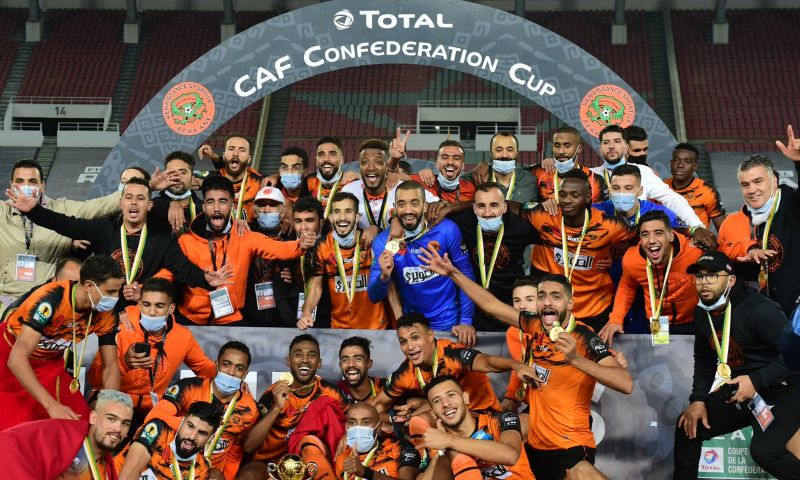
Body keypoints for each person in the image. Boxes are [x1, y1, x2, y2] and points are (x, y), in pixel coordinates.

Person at [418, 251, 633, 480]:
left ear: (570, 303)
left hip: (568, 445)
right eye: (541, 296)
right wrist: (453, 273)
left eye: (555, 297)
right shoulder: (535, 325)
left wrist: (575, 359)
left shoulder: (583, 338)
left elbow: (626, 383)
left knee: (582, 473)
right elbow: (492, 306)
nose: (547, 302)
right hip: (534, 443)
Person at [9, 177, 230, 307]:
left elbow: (183, 270)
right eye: (129, 197)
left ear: (149, 206)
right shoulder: (104, 229)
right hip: (105, 309)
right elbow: (66, 224)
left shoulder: (162, 238)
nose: (134, 203)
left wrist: (206, 279)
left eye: (141, 198)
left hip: (141, 310)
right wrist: (34, 211)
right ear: (121, 203)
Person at [673, 251, 800, 479]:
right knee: (688, 426)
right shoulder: (702, 313)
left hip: (783, 387)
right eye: (699, 276)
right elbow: (704, 360)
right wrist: (698, 399)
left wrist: (756, 380)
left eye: (712, 275)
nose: (704, 282)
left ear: (731, 280)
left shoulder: (761, 310)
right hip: (742, 390)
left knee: (765, 452)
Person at [0, 255, 123, 432]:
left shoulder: (108, 313)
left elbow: (110, 366)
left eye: (118, 291)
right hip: (9, 354)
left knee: (80, 422)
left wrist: (112, 409)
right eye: (110, 292)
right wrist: (51, 405)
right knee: (16, 424)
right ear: (89, 286)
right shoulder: (51, 299)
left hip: (49, 363)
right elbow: (16, 359)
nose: (115, 298)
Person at [174, 176, 315, 325]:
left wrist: (300, 245)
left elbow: (278, 248)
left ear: (232, 205)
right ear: (203, 207)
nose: (216, 208)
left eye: (223, 201)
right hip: (190, 319)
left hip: (230, 320)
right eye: (210, 202)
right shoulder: (186, 241)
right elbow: (170, 274)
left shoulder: (244, 235)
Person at [86, 277, 216, 440]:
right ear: (140, 303)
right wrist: (124, 363)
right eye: (146, 305)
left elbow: (205, 368)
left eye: (159, 306)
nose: (152, 312)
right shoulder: (120, 326)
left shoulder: (183, 336)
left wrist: (231, 376)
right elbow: (94, 378)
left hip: (153, 408)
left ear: (171, 308)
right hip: (117, 401)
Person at [599, 210, 754, 345]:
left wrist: (751, 249)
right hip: (657, 323)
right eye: (645, 235)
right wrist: (615, 319)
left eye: (658, 233)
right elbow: (627, 287)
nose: (651, 240)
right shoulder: (632, 259)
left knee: (694, 362)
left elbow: (725, 249)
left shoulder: (694, 250)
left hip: (694, 320)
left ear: (671, 236)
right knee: (663, 363)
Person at [523, 169, 635, 331]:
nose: (567, 200)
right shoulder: (544, 216)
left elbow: (643, 237)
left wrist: (615, 254)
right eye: (563, 195)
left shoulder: (610, 225)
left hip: (596, 309)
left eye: (575, 195)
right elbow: (511, 208)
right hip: (555, 309)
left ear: (588, 197)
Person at [367, 181, 476, 346]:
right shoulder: (384, 242)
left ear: (425, 206)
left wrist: (466, 321)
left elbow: (466, 274)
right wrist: (384, 277)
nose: (408, 210)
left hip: (450, 324)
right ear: (394, 209)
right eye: (401, 204)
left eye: (414, 203)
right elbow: (373, 296)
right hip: (414, 327)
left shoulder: (446, 230)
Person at [0, 159, 122, 306]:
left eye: (32, 181)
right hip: (6, 300)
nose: (25, 186)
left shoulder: (62, 209)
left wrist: (136, 190)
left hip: (49, 300)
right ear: (11, 185)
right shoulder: (2, 212)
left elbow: (100, 206)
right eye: (20, 181)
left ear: (42, 186)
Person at [370, 313, 537, 418]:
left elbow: (485, 361)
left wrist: (516, 365)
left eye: (415, 338)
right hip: (447, 419)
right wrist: (358, 426)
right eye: (403, 341)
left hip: (482, 416)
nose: (410, 347)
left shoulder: (451, 353)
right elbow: (378, 404)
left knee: (423, 419)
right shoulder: (406, 372)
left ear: (430, 335)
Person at [238, 334, 352, 480]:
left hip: (309, 460)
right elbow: (249, 446)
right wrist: (277, 407)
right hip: (271, 462)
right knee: (248, 475)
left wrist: (349, 433)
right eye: (298, 354)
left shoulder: (331, 392)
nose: (305, 360)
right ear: (288, 361)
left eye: (311, 355)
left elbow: (358, 415)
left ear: (319, 363)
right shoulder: (274, 393)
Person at [144, 341, 258, 480]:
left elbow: (234, 453)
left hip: (212, 473)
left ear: (245, 374)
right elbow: (153, 418)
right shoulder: (190, 387)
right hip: (173, 464)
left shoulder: (250, 409)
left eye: (239, 368)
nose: (231, 372)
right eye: (226, 364)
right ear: (217, 365)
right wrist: (189, 423)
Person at [588, 125, 713, 244]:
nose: (611, 146)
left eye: (617, 141)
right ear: (600, 149)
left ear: (626, 147)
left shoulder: (643, 172)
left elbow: (672, 199)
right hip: (601, 244)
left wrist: (697, 226)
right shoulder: (589, 175)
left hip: (639, 243)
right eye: (606, 142)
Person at [718, 141, 800, 316]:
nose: (751, 190)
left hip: (795, 311)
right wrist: (748, 250)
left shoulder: (791, 204)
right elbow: (722, 250)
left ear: (774, 181)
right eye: (745, 184)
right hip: (765, 310)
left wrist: (799, 163)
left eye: (758, 181)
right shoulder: (743, 217)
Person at [450, 182, 538, 332]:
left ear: (504, 207)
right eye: (481, 206)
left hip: (511, 309)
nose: (487, 213)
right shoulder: (463, 222)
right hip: (476, 309)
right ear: (474, 208)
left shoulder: (521, 227)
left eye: (494, 205)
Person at [299, 192, 392, 330]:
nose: (342, 217)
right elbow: (316, 287)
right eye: (337, 212)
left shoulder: (370, 242)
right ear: (330, 217)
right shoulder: (323, 246)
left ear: (357, 216)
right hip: (339, 328)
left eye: (348, 211)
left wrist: (375, 228)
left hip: (376, 327)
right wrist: (307, 312)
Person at [0, 389, 133, 479]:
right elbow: (10, 443)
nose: (118, 428)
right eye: (111, 419)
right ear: (93, 418)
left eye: (125, 424)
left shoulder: (107, 472)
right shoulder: (60, 434)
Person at [419, 375, 533, 480]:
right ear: (433, 413)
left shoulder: (499, 420)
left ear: (465, 398)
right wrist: (444, 451)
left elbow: (510, 455)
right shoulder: (440, 445)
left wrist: (449, 441)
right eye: (437, 401)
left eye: (451, 395)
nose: (445, 404)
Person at [342, 139, 439, 243]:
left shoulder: (403, 188)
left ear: (386, 166)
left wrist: (396, 218)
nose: (371, 167)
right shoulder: (349, 191)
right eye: (364, 162)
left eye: (378, 162)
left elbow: (439, 205)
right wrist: (365, 231)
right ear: (360, 166)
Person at [117, 401, 220, 480]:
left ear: (211, 438)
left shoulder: (201, 469)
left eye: (202, 433)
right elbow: (128, 474)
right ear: (181, 422)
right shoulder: (158, 430)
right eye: (190, 426)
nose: (192, 437)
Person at [242, 186, 299, 327]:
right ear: (256, 210)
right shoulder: (245, 232)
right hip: (250, 313)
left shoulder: (292, 234)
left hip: (284, 314)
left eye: (273, 205)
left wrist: (295, 275)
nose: (267, 209)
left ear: (283, 210)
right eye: (262, 205)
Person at [334, 402, 420, 480]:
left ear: (378, 428)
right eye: (352, 422)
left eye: (366, 422)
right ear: (346, 427)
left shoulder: (400, 446)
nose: (358, 428)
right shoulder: (342, 459)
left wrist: (366, 472)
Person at [531, 127, 608, 202]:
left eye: (567, 146)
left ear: (579, 148)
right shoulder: (538, 172)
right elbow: (526, 203)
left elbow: (602, 209)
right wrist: (541, 206)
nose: (561, 151)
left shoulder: (595, 180)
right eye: (557, 146)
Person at [199, 134, 263, 221]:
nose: (235, 154)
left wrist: (276, 176)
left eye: (242, 150)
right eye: (231, 149)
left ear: (249, 159)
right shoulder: (214, 178)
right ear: (224, 156)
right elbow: (183, 179)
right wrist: (177, 203)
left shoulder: (259, 182)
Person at [664, 143, 726, 230]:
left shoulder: (706, 191)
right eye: (677, 160)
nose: (680, 165)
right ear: (671, 163)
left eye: (687, 162)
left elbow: (723, 230)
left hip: (696, 238)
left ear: (695, 166)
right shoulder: (661, 187)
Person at [150, 151, 203, 235]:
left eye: (183, 172)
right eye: (171, 173)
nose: (177, 177)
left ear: (192, 177)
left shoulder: (203, 209)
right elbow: (127, 206)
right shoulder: (152, 206)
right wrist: (150, 186)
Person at [411, 140, 476, 204]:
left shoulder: (470, 189)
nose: (450, 162)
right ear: (437, 164)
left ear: (463, 166)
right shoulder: (423, 181)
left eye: (456, 158)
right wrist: (402, 156)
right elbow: (404, 176)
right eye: (445, 157)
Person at [337, 336, 385, 402]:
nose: (351, 364)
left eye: (358, 359)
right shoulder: (333, 394)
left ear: (369, 363)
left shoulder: (385, 388)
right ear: (340, 365)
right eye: (345, 360)